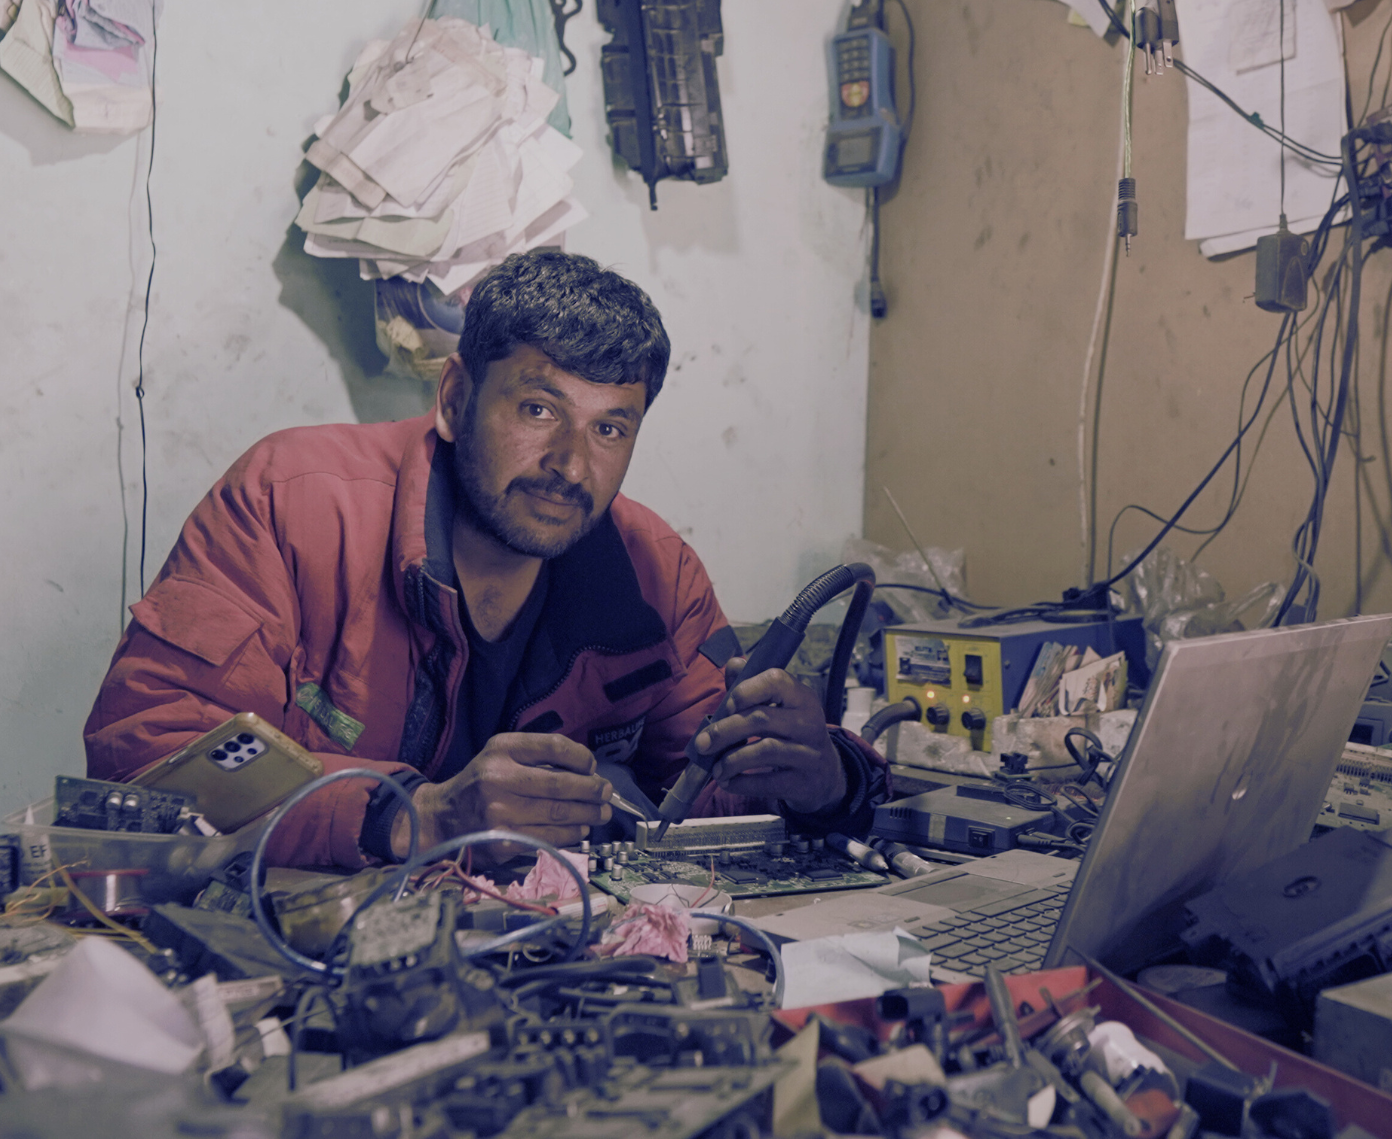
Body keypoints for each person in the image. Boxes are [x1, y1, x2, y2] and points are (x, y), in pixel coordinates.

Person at [83, 248, 886, 869]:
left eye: (611, 428)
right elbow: (147, 750)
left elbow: (705, 791)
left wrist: (825, 782)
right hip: (304, 950)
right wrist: (412, 818)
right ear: (457, 397)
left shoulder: (655, 572)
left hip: (546, 963)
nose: (572, 465)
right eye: (539, 409)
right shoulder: (291, 502)